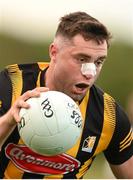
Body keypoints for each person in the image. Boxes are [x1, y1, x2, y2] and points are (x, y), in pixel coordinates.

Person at [0, 11, 132, 179]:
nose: (90, 73)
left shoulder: (109, 116)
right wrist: (8, 120)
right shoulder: (11, 84)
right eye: (82, 59)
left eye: (98, 62)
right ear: (54, 52)